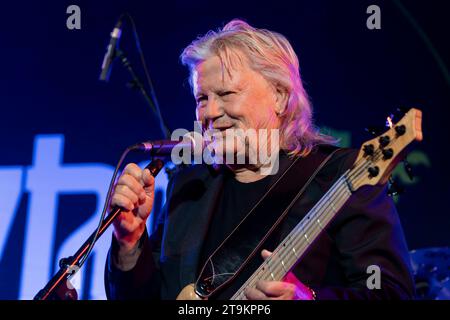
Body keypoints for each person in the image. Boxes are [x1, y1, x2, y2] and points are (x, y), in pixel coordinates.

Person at [104, 19, 416, 300]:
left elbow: (391, 293)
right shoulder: (189, 184)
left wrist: (308, 299)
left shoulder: (339, 174)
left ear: (280, 97)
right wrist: (130, 242)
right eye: (202, 98)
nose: (210, 112)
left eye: (226, 94)